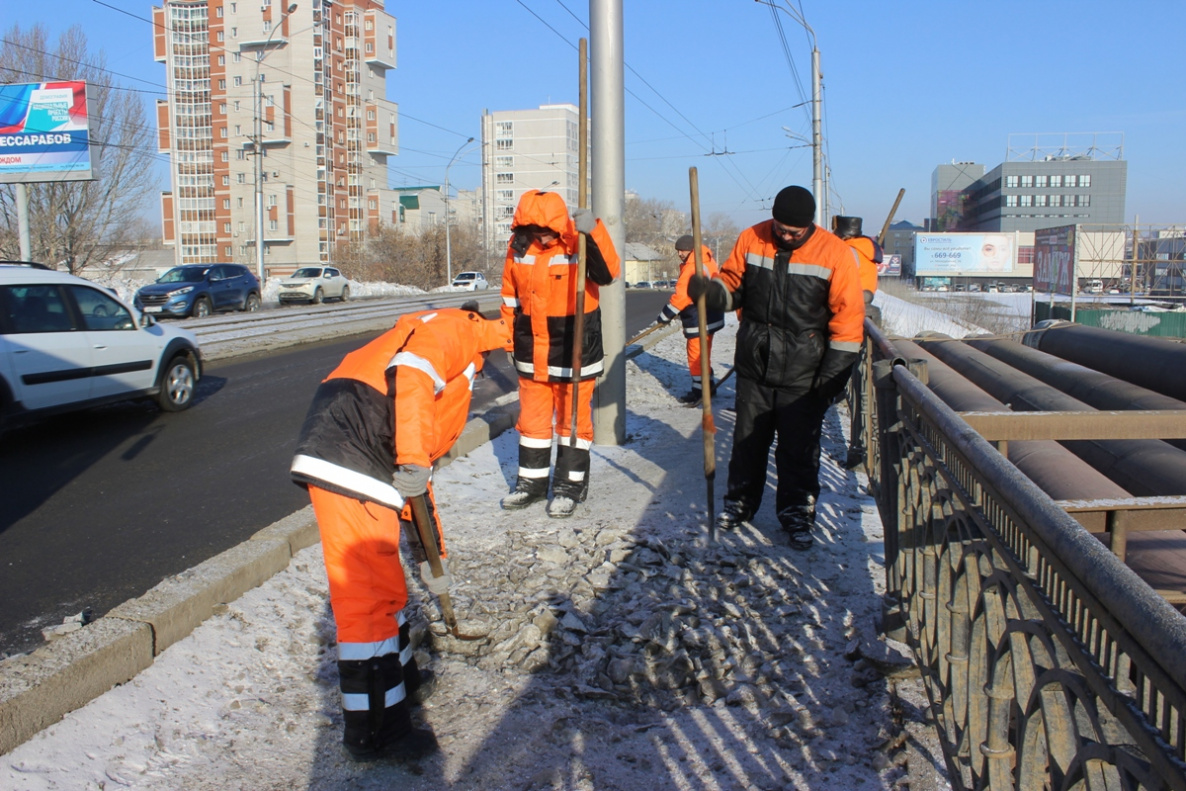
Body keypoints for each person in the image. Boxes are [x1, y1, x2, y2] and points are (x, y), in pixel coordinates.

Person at [290, 303, 513, 762]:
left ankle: (403, 685)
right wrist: (412, 457)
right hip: (354, 443)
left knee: (387, 585)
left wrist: (435, 560)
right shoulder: (459, 327)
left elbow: (419, 481)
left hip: (361, 438)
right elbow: (412, 375)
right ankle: (376, 734)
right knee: (367, 597)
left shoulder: (460, 349)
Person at [688, 186, 864, 550]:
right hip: (755, 364)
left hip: (805, 372)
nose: (785, 236)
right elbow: (734, 284)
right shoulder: (752, 237)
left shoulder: (835, 253)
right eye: (780, 228)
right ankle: (739, 503)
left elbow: (848, 322)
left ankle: (797, 512)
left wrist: (831, 380)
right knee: (747, 443)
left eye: (794, 233)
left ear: (809, 226)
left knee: (798, 450)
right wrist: (713, 292)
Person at [498, 189, 621, 519]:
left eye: (546, 228)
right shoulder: (519, 248)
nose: (541, 235)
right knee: (533, 423)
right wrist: (509, 341)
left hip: (574, 348)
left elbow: (609, 273)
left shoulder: (579, 240)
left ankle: (569, 486)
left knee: (572, 422)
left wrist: (593, 230)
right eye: (534, 228)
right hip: (532, 349)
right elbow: (509, 297)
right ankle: (531, 484)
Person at [832, 215, 882, 470]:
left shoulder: (849, 250)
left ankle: (860, 453)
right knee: (862, 383)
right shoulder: (867, 249)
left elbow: (838, 282)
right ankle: (861, 451)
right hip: (867, 311)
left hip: (853, 314)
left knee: (861, 385)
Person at [654, 234, 725, 404]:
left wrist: (665, 316)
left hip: (699, 317)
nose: (680, 254)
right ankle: (709, 387)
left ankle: (699, 392)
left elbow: (682, 296)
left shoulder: (692, 266)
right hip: (712, 314)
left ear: (691, 250)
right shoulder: (707, 260)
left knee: (696, 356)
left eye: (683, 250)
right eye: (678, 251)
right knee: (703, 354)